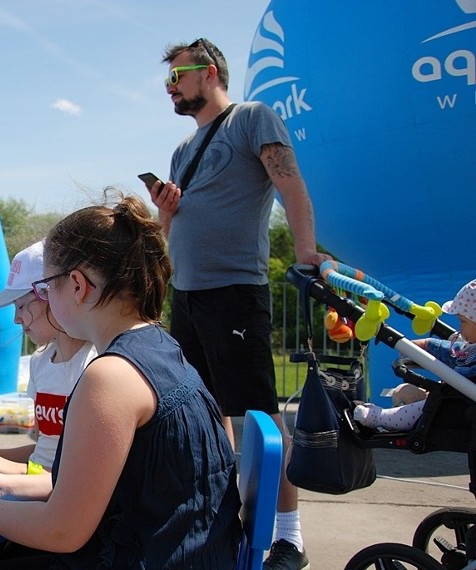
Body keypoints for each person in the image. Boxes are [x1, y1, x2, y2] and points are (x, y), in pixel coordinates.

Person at [0, 194, 241, 568]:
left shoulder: (109, 376)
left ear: (77, 285)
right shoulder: (161, 347)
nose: (44, 300)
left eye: (47, 288)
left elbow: (62, 530)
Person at [145, 38, 331, 570]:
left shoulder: (254, 118)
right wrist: (164, 211)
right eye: (167, 81)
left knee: (259, 418)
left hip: (235, 291)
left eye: (177, 77)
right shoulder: (182, 151)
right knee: (202, 415)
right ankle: (220, 516)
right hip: (187, 295)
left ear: (208, 73)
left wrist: (305, 254)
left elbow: (291, 187)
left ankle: (289, 537)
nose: (171, 88)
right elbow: (172, 229)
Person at [0, 240, 97, 499]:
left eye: (22, 306)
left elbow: (80, 476)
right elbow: (43, 453)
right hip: (38, 487)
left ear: (51, 295)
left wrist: (8, 469)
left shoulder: (94, 366)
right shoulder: (40, 361)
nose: (16, 318)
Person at [354, 278, 476, 430]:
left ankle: (379, 417)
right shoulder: (469, 348)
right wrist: (426, 344)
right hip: (453, 399)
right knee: (416, 396)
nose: (460, 327)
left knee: (422, 410)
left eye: (463, 322)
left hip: (456, 406)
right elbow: (451, 351)